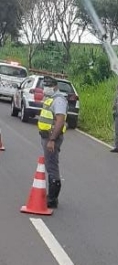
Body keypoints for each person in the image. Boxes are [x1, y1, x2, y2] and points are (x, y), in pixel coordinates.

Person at [37, 76, 68, 209]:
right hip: (47, 137)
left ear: (54, 87)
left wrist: (52, 140)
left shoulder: (59, 100)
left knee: (52, 166)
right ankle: (51, 197)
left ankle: (52, 199)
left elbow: (60, 121)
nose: (45, 88)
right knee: (50, 165)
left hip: (51, 138)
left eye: (47, 85)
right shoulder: (51, 99)